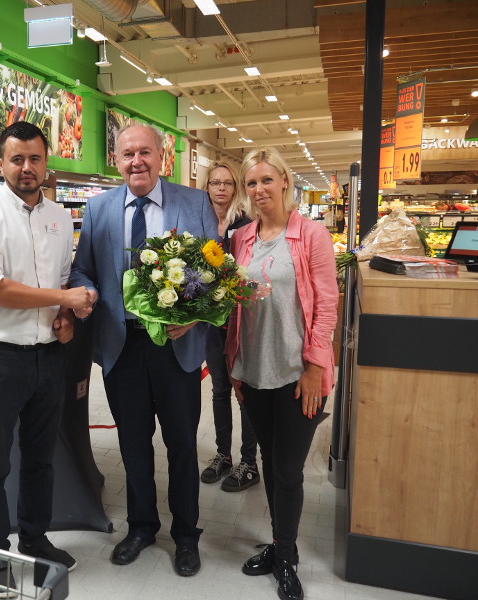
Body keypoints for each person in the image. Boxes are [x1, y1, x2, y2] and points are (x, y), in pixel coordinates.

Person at [69, 123, 218, 577]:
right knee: (133, 444)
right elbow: (82, 271)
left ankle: (187, 535)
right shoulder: (98, 208)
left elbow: (219, 271)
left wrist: (194, 313)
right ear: (116, 159)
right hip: (123, 346)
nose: (137, 161)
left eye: (145, 153)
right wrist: (85, 293)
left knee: (181, 446)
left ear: (162, 157)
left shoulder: (194, 204)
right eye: (128, 154)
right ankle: (141, 527)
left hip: (178, 348)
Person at [0, 122, 93, 597]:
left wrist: (66, 316)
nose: (27, 168)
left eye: (35, 159)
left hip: (48, 359)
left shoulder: (59, 217)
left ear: (45, 162)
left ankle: (35, 541)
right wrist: (64, 296)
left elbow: (59, 281)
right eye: (17, 159)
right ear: (1, 163)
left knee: (40, 461)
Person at [225, 147, 338, 600]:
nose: (258, 190)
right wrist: (234, 361)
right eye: (251, 183)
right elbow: (234, 302)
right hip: (254, 371)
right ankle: (277, 544)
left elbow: (327, 304)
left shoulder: (311, 235)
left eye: (267, 180)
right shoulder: (242, 238)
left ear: (285, 182)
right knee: (270, 464)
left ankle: (287, 558)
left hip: (297, 374)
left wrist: (315, 365)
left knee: (289, 471)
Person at [199, 162, 261, 493]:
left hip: (242, 320)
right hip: (211, 321)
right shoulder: (200, 221)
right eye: (215, 183)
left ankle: (248, 462)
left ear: (235, 187)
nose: (221, 189)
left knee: (244, 391)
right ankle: (223, 454)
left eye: (227, 183)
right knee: (220, 388)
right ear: (206, 186)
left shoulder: (248, 223)